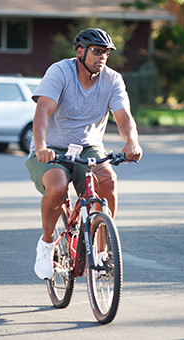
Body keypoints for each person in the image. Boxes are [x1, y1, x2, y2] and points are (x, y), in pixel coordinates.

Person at [25, 28, 142, 280]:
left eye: (106, 53)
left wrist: (132, 142)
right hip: (52, 148)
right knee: (57, 186)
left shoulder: (112, 80)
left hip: (88, 147)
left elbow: (123, 118)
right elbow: (43, 112)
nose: (102, 57)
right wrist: (42, 146)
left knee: (108, 182)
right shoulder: (60, 72)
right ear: (80, 52)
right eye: (96, 51)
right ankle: (46, 246)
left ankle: (101, 251)